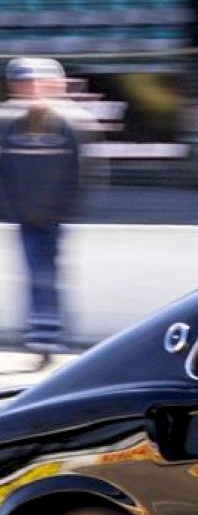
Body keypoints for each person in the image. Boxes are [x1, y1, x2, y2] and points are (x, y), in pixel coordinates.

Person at [0, 58, 90, 369]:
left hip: (54, 217)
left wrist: (63, 209)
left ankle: (52, 338)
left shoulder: (69, 121)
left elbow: (80, 173)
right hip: (25, 216)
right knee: (36, 275)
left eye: (36, 81)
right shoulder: (7, 122)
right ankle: (42, 339)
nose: (31, 88)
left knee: (49, 276)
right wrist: (13, 209)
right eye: (24, 82)